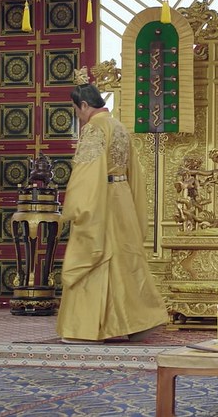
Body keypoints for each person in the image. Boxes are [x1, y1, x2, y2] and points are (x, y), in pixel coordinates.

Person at [56, 83, 168, 344]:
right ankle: (139, 321)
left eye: (76, 110)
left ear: (84, 105)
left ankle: (86, 329)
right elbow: (134, 170)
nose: (78, 116)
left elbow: (87, 171)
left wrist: (77, 207)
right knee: (124, 260)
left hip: (102, 198)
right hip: (123, 198)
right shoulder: (119, 127)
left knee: (97, 254)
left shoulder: (94, 128)